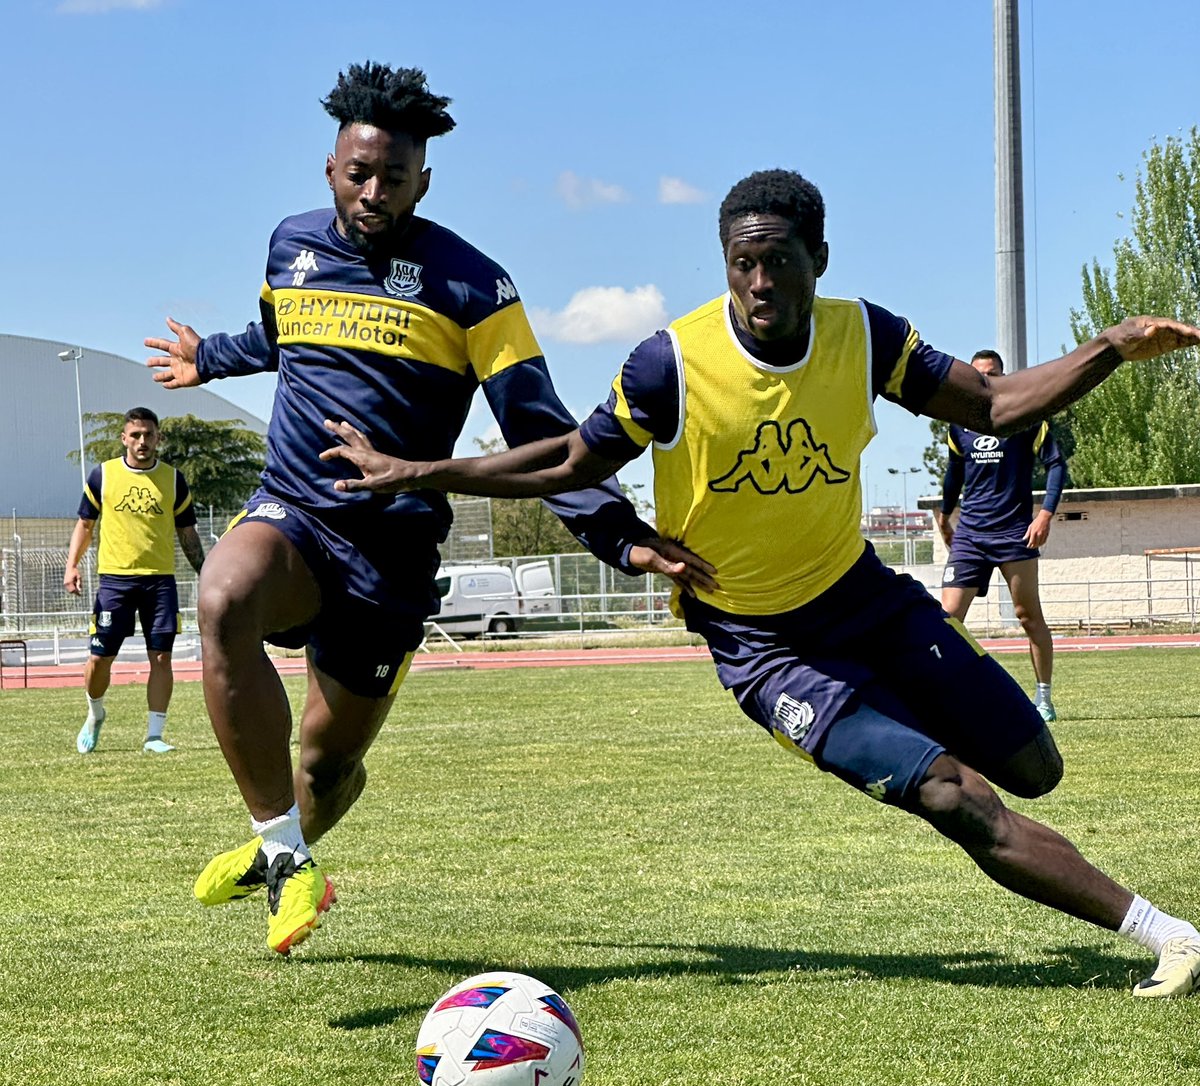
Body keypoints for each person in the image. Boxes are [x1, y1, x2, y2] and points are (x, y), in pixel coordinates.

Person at [322, 169, 1200, 999]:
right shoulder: (671, 362)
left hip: (867, 600)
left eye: (778, 260)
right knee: (952, 794)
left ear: (818, 258)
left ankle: (915, 718)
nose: (759, 282)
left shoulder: (867, 337)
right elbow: (566, 459)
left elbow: (995, 405)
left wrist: (1114, 345)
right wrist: (416, 471)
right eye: (741, 263)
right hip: (765, 649)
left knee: (1034, 767)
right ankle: (1168, 935)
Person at [142, 62, 705, 956]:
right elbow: (278, 329)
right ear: (330, 167)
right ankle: (283, 851)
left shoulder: (475, 287)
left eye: (392, 179)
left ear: (423, 181)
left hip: (394, 555)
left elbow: (544, 432)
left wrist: (620, 536)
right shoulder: (290, 244)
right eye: (357, 174)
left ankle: (291, 843)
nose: (372, 192)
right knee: (222, 595)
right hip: (294, 512)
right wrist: (207, 358)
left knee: (329, 769)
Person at [63, 407, 206, 755]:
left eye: (149, 435)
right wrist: (72, 566)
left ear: (159, 438)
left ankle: (154, 736)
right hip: (115, 582)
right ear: (124, 438)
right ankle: (95, 714)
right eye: (136, 435)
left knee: (161, 658)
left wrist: (208, 571)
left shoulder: (174, 479)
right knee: (100, 658)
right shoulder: (104, 475)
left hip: (160, 583)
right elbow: (85, 524)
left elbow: (187, 533)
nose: (142, 441)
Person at [934, 350, 1066, 721]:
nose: (985, 380)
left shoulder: (1025, 417)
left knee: (1028, 616)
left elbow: (1056, 465)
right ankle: (950, 695)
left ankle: (1043, 699)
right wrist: (945, 517)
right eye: (979, 375)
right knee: (946, 620)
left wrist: (1045, 515)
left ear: (1003, 376)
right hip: (971, 535)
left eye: (992, 374)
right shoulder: (958, 422)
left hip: (1013, 533)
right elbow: (953, 475)